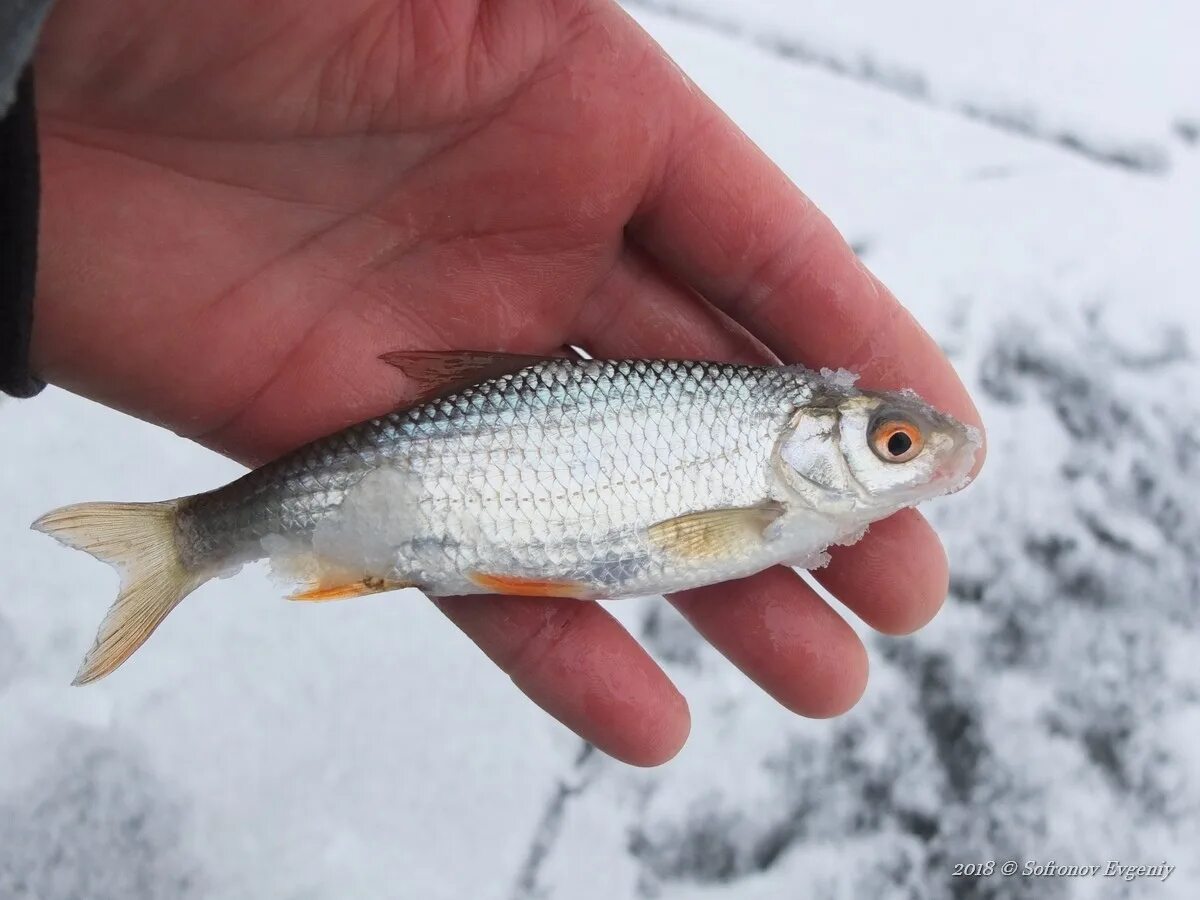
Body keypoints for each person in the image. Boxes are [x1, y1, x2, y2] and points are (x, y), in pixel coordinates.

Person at [1, 0, 984, 765]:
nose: (909, 456)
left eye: (894, 443)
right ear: (815, 433)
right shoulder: (775, 487)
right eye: (892, 444)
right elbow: (698, 540)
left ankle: (188, 541)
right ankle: (185, 540)